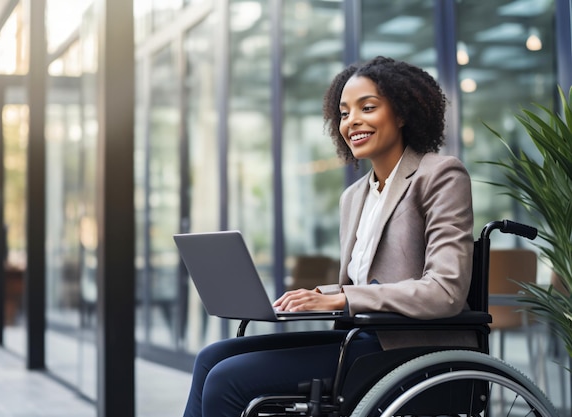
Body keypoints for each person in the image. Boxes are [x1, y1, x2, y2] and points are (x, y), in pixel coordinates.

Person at [182, 56, 475, 417]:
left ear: (401, 113)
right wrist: (319, 295)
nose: (352, 122)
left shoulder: (440, 174)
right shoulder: (353, 197)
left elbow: (445, 291)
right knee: (212, 357)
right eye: (344, 113)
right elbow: (365, 281)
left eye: (367, 108)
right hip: (362, 338)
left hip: (412, 346)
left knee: (228, 378)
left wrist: (341, 299)